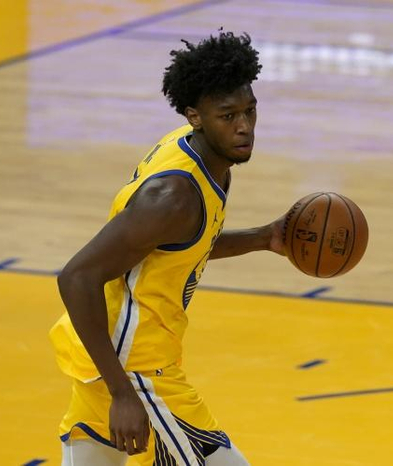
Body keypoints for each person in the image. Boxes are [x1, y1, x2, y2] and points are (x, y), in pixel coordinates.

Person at [49, 31, 285, 466]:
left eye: (250, 110)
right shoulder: (174, 196)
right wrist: (122, 392)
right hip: (134, 369)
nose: (244, 126)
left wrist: (265, 238)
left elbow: (178, 245)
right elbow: (77, 277)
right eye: (228, 115)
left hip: (110, 356)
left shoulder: (197, 153)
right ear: (195, 116)